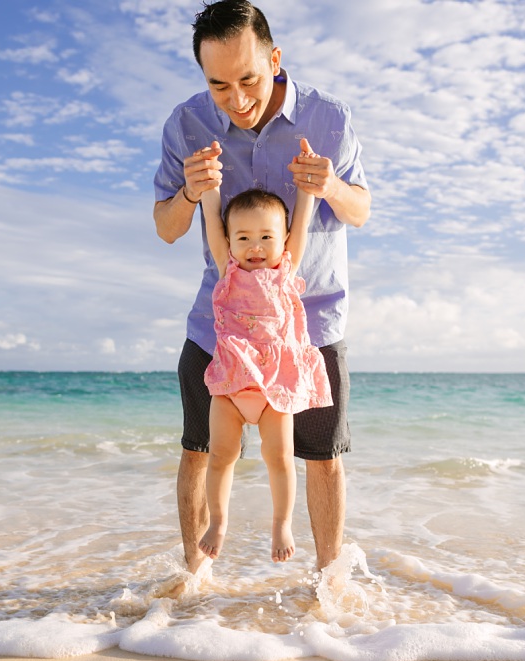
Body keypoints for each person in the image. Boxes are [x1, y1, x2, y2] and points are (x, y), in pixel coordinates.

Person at [153, 0, 370, 573]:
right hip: (218, 328)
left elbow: (361, 211)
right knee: (200, 453)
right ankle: (193, 583)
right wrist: (190, 193)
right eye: (218, 85)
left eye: (248, 79)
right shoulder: (186, 124)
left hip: (311, 323)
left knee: (320, 459)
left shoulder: (330, 118)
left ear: (275, 60)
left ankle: (328, 591)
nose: (237, 98)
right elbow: (166, 228)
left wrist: (328, 186)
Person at [195, 143, 331, 563]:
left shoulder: (285, 271)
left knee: (280, 460)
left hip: (276, 387)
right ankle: (218, 519)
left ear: (282, 240)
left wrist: (306, 188)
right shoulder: (229, 270)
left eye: (266, 237)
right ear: (232, 243)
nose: (255, 246)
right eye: (244, 238)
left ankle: (281, 523)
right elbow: (214, 225)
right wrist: (208, 185)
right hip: (232, 384)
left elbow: (303, 225)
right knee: (220, 457)